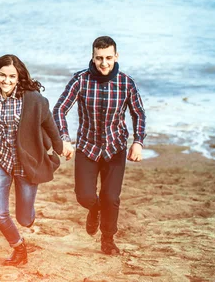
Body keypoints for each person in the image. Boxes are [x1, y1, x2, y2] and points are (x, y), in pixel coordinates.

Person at [0, 54, 69, 266]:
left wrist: (60, 145)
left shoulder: (33, 99)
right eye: (2, 75)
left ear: (19, 77)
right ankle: (19, 248)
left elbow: (49, 123)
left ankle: (29, 217)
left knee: (24, 219)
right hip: (0, 159)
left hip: (27, 162)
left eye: (11, 76)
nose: (6, 80)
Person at [53, 36, 146, 255]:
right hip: (88, 147)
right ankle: (94, 209)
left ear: (116, 56)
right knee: (85, 196)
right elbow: (59, 109)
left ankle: (108, 240)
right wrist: (64, 138)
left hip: (115, 148)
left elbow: (138, 113)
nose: (104, 63)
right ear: (92, 57)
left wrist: (138, 142)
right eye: (99, 58)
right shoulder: (80, 80)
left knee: (111, 198)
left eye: (108, 58)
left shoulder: (126, 83)